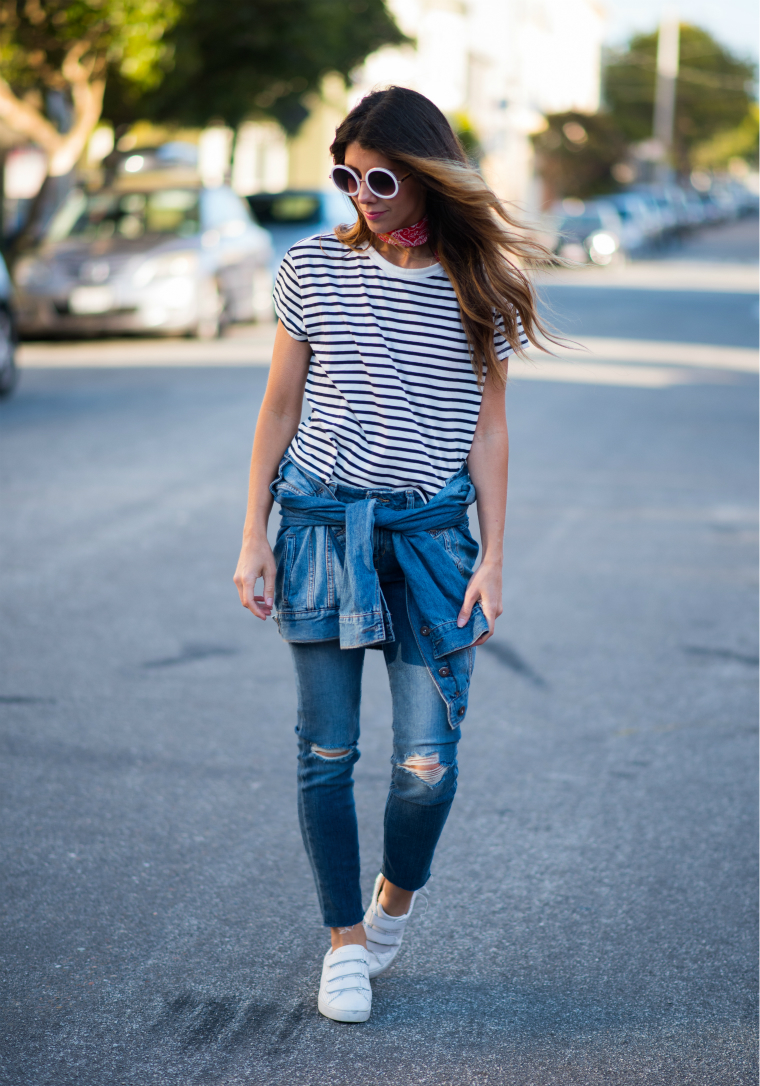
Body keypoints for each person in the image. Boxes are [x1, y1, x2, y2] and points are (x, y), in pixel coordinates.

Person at [234, 86, 549, 1023]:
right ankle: (341, 943)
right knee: (326, 752)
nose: (362, 195)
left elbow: (488, 430)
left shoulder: (478, 280)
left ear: (424, 176)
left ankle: (393, 901)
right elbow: (279, 408)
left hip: (430, 542)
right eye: (346, 175)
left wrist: (494, 556)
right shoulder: (310, 268)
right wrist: (253, 533)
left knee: (426, 768)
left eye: (379, 177)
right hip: (321, 529)